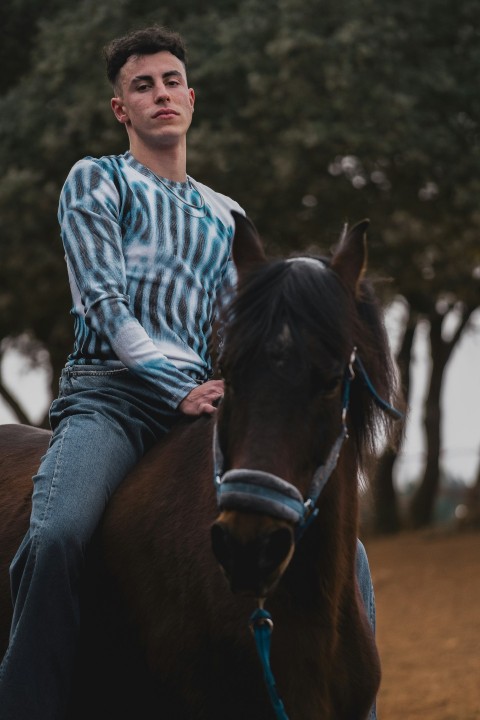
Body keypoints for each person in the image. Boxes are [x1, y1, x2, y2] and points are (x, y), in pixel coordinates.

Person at [0, 25, 377, 720]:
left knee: (343, 553)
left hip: (209, 405)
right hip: (112, 401)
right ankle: (28, 702)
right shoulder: (97, 180)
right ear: (123, 110)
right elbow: (102, 301)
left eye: (171, 81)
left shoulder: (228, 214)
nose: (159, 94)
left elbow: (236, 327)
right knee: (54, 536)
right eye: (142, 86)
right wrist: (178, 386)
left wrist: (239, 395)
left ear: (191, 98)